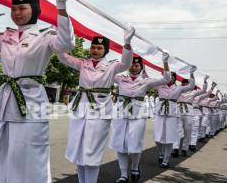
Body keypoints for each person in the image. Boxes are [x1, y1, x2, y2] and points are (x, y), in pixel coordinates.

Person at [0, 0, 74, 183]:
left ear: (35, 10)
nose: (17, 12)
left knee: (28, 158)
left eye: (22, 8)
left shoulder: (45, 36)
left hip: (31, 103)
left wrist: (61, 7)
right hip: (3, 104)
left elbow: (66, 43)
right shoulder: (6, 36)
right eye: (14, 8)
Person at [58, 27, 136, 183]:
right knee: (79, 151)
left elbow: (127, 63)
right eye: (93, 47)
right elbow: (63, 58)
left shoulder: (112, 66)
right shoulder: (83, 63)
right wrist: (61, 37)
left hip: (100, 113)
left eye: (99, 48)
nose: (95, 50)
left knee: (91, 153)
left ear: (105, 50)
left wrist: (127, 43)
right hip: (80, 111)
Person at [110, 53, 171, 183]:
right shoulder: (120, 78)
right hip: (121, 114)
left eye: (136, 65)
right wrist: (114, 64)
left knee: (135, 144)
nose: (133, 67)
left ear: (141, 67)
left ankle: (135, 167)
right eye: (131, 64)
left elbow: (166, 78)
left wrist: (165, 62)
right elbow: (107, 72)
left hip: (138, 115)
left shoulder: (146, 81)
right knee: (120, 145)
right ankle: (123, 174)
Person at [154, 66, 196, 168]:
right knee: (157, 138)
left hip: (172, 114)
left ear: (175, 78)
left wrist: (191, 73)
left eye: (171, 76)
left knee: (169, 138)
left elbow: (191, 86)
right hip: (160, 113)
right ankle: (161, 153)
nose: (169, 78)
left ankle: (166, 160)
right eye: (167, 76)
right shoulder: (159, 85)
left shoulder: (179, 88)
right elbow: (146, 80)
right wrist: (144, 69)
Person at [171, 75, 208, 157]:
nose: (184, 85)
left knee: (187, 131)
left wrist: (205, 82)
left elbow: (204, 91)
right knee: (177, 130)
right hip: (178, 111)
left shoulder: (193, 92)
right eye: (183, 83)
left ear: (188, 84)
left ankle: (184, 148)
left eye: (185, 84)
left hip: (188, 112)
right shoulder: (178, 90)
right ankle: (175, 148)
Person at [188, 77, 211, 151]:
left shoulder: (199, 97)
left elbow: (206, 92)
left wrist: (205, 81)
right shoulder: (184, 94)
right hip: (187, 112)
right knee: (188, 129)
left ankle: (193, 144)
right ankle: (187, 143)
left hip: (196, 113)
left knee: (195, 128)